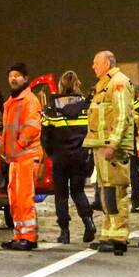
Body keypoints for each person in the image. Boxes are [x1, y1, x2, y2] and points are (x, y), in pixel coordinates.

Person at [83, 50, 135, 255]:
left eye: (96, 62)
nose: (93, 66)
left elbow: (123, 116)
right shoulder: (105, 84)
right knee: (106, 190)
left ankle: (118, 236)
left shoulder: (119, 82)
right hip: (102, 145)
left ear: (106, 63)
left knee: (116, 190)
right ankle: (108, 234)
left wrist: (113, 144)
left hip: (111, 147)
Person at [42, 71, 97, 244]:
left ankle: (64, 232)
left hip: (60, 156)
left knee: (61, 195)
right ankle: (89, 223)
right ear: (77, 85)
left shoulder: (52, 107)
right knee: (78, 191)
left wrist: (51, 152)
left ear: (61, 85)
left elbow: (45, 135)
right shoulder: (86, 106)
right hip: (80, 156)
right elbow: (93, 131)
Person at [0, 63, 44, 251]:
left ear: (26, 78)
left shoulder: (30, 100)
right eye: (11, 75)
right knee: (15, 198)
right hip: (16, 158)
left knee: (24, 197)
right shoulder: (12, 102)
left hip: (26, 156)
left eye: (17, 75)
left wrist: (17, 146)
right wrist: (5, 151)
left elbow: (32, 127)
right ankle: (20, 234)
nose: (13, 78)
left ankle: (28, 236)